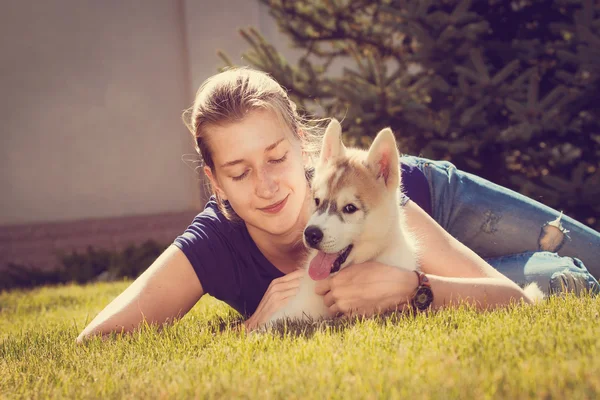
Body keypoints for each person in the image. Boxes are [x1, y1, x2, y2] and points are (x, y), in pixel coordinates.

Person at [76, 67, 600, 342]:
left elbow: (508, 299)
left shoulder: (354, 197)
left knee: (586, 260)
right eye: (238, 172)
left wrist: (419, 291)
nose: (267, 186)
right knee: (560, 278)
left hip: (433, 200)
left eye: (278, 158)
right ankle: (562, 272)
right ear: (215, 183)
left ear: (304, 149)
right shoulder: (212, 243)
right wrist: (253, 324)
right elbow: (97, 342)